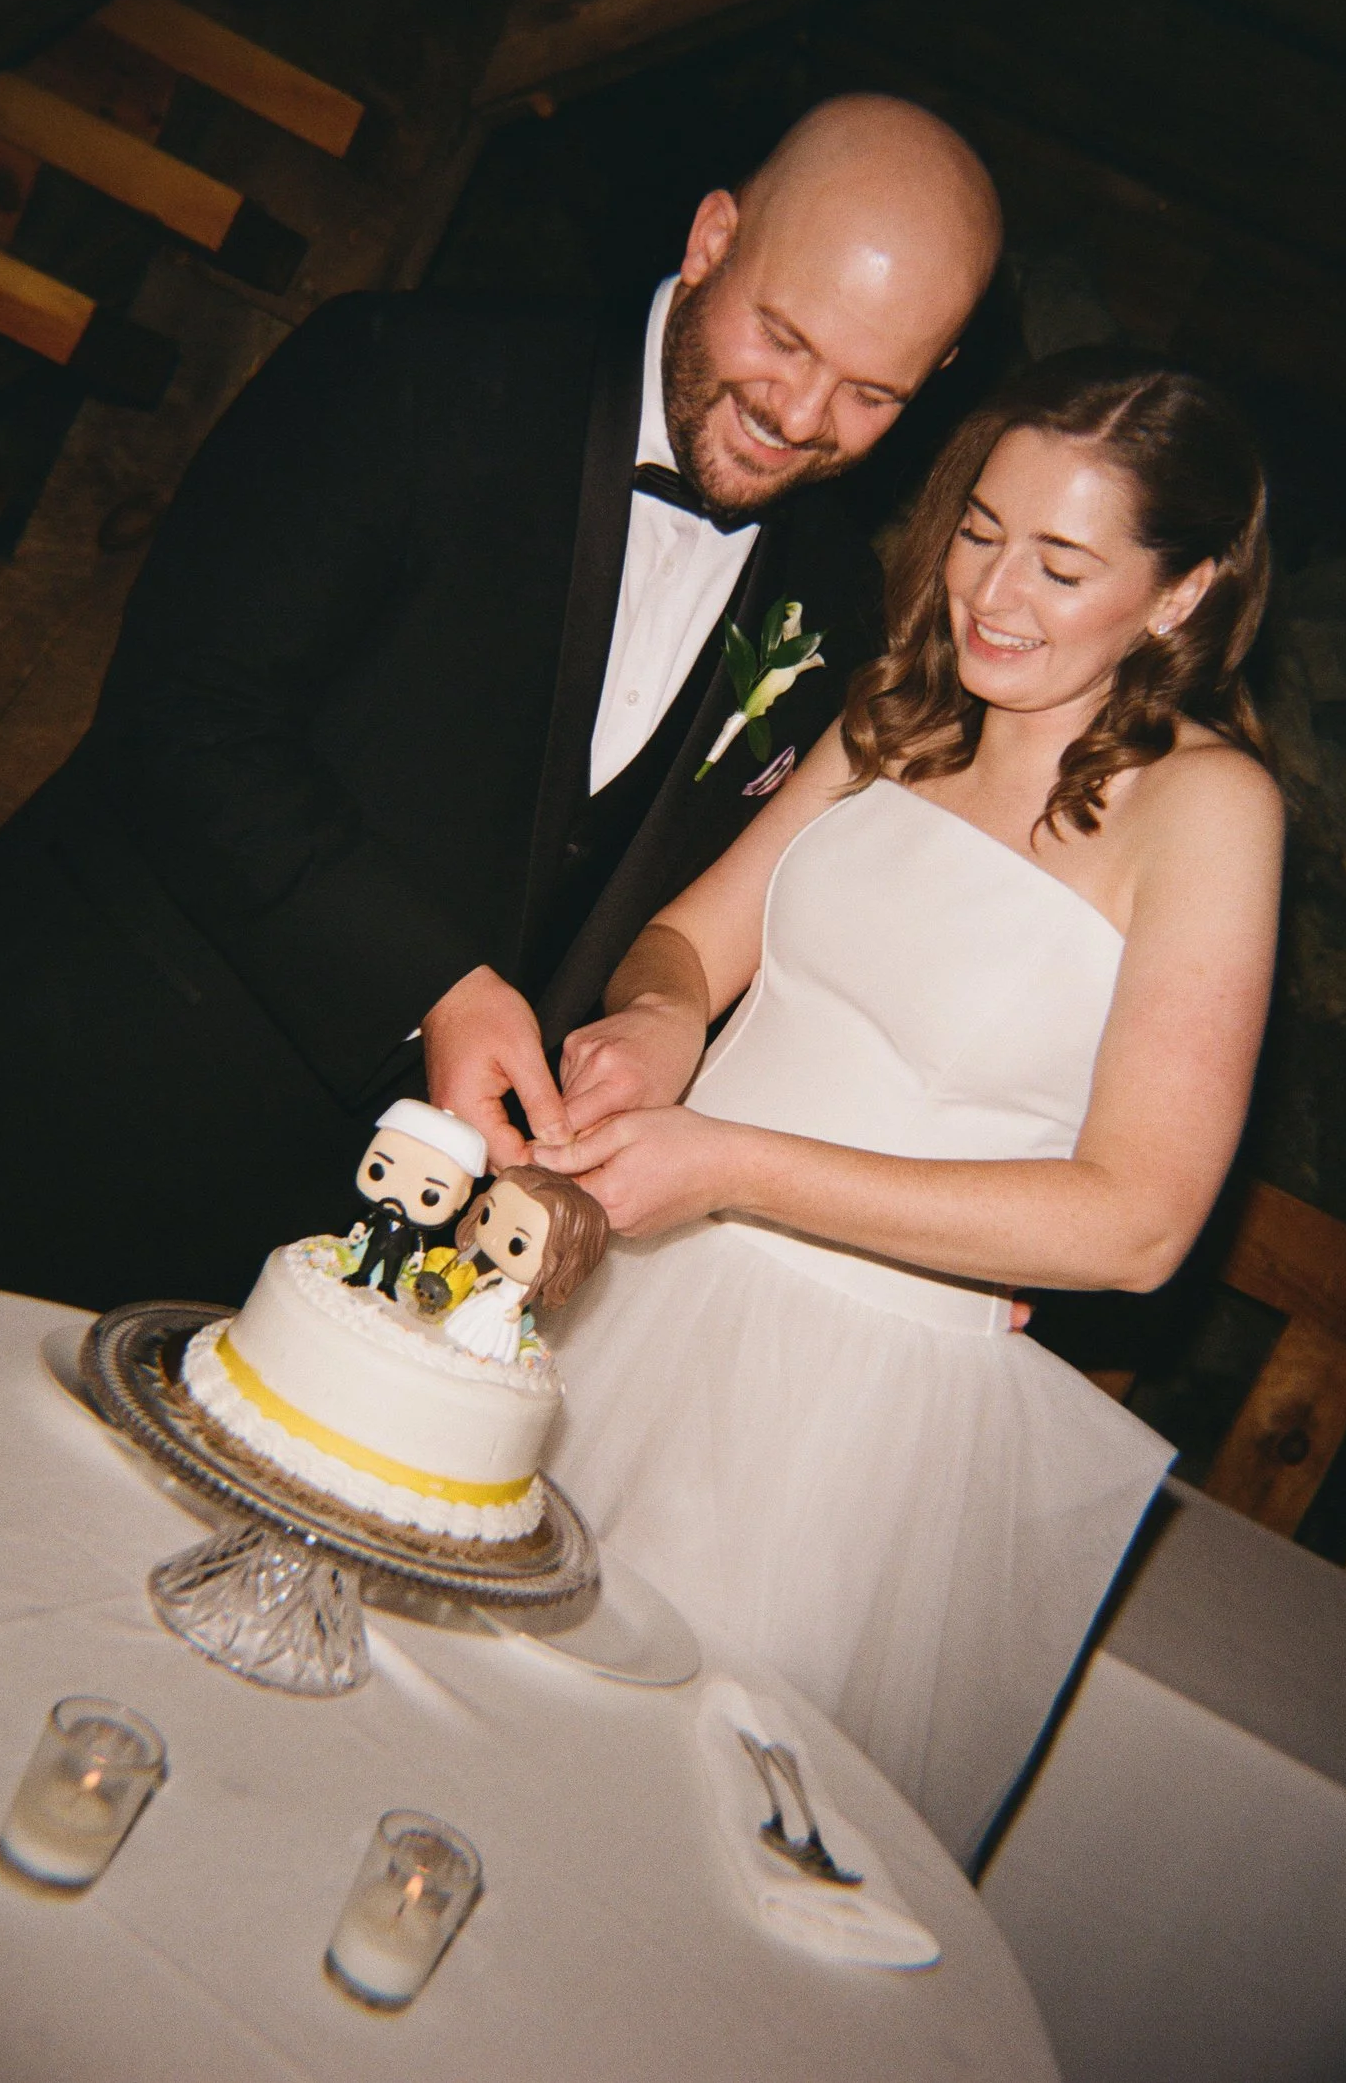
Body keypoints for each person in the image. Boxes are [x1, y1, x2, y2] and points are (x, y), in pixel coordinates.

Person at [0, 97, 1002, 1311]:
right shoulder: (409, 371)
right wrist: (426, 984)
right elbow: (183, 719)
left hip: (354, 1252)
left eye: (873, 394)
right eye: (783, 339)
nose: (800, 418)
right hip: (76, 1103)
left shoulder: (834, 602)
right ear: (711, 240)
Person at [530, 347, 1284, 1863]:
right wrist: (668, 1022)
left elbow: (1138, 1223)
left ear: (1183, 592)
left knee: (632, 1840)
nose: (992, 592)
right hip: (637, 1301)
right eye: (983, 529)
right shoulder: (900, 714)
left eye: (1063, 563)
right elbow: (690, 935)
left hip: (850, 1414)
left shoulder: (1210, 809)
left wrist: (734, 1160)